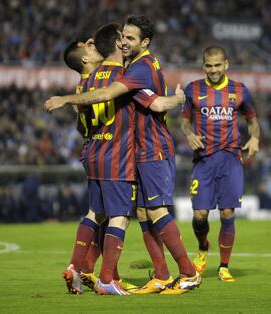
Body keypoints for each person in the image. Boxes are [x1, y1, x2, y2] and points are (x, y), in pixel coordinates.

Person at [45, 15, 201, 295]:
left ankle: (187, 273)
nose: (124, 42)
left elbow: (154, 104)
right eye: (123, 37)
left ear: (145, 42)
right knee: (136, 212)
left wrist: (178, 100)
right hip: (128, 153)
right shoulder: (125, 71)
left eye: (130, 37)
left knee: (137, 211)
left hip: (148, 149)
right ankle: (161, 275)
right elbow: (155, 102)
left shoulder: (125, 73)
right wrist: (176, 99)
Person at [61, 37, 138, 294]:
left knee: (96, 213)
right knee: (120, 216)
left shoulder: (84, 85)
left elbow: (80, 127)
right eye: (88, 46)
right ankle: (107, 279)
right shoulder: (114, 75)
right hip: (114, 153)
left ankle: (76, 267)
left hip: (91, 151)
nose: (92, 45)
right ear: (84, 58)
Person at [181, 45, 260, 282]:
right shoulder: (193, 89)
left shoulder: (240, 91)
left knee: (227, 213)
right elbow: (185, 121)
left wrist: (254, 137)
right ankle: (203, 247)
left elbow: (252, 120)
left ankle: (224, 266)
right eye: (209, 65)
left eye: (218, 65)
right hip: (204, 160)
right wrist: (189, 134)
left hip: (230, 159)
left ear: (226, 64)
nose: (213, 70)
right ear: (203, 65)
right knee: (200, 215)